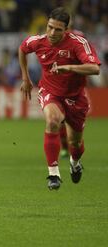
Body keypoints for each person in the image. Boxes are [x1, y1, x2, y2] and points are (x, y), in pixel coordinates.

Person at [19, 7, 100, 190]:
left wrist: (70, 68)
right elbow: (22, 49)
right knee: (53, 121)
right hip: (50, 92)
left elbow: (94, 68)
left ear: (67, 29)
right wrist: (25, 78)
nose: (52, 33)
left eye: (58, 29)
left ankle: (75, 163)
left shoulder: (78, 43)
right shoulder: (38, 41)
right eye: (50, 27)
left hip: (76, 98)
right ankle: (53, 174)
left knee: (75, 143)